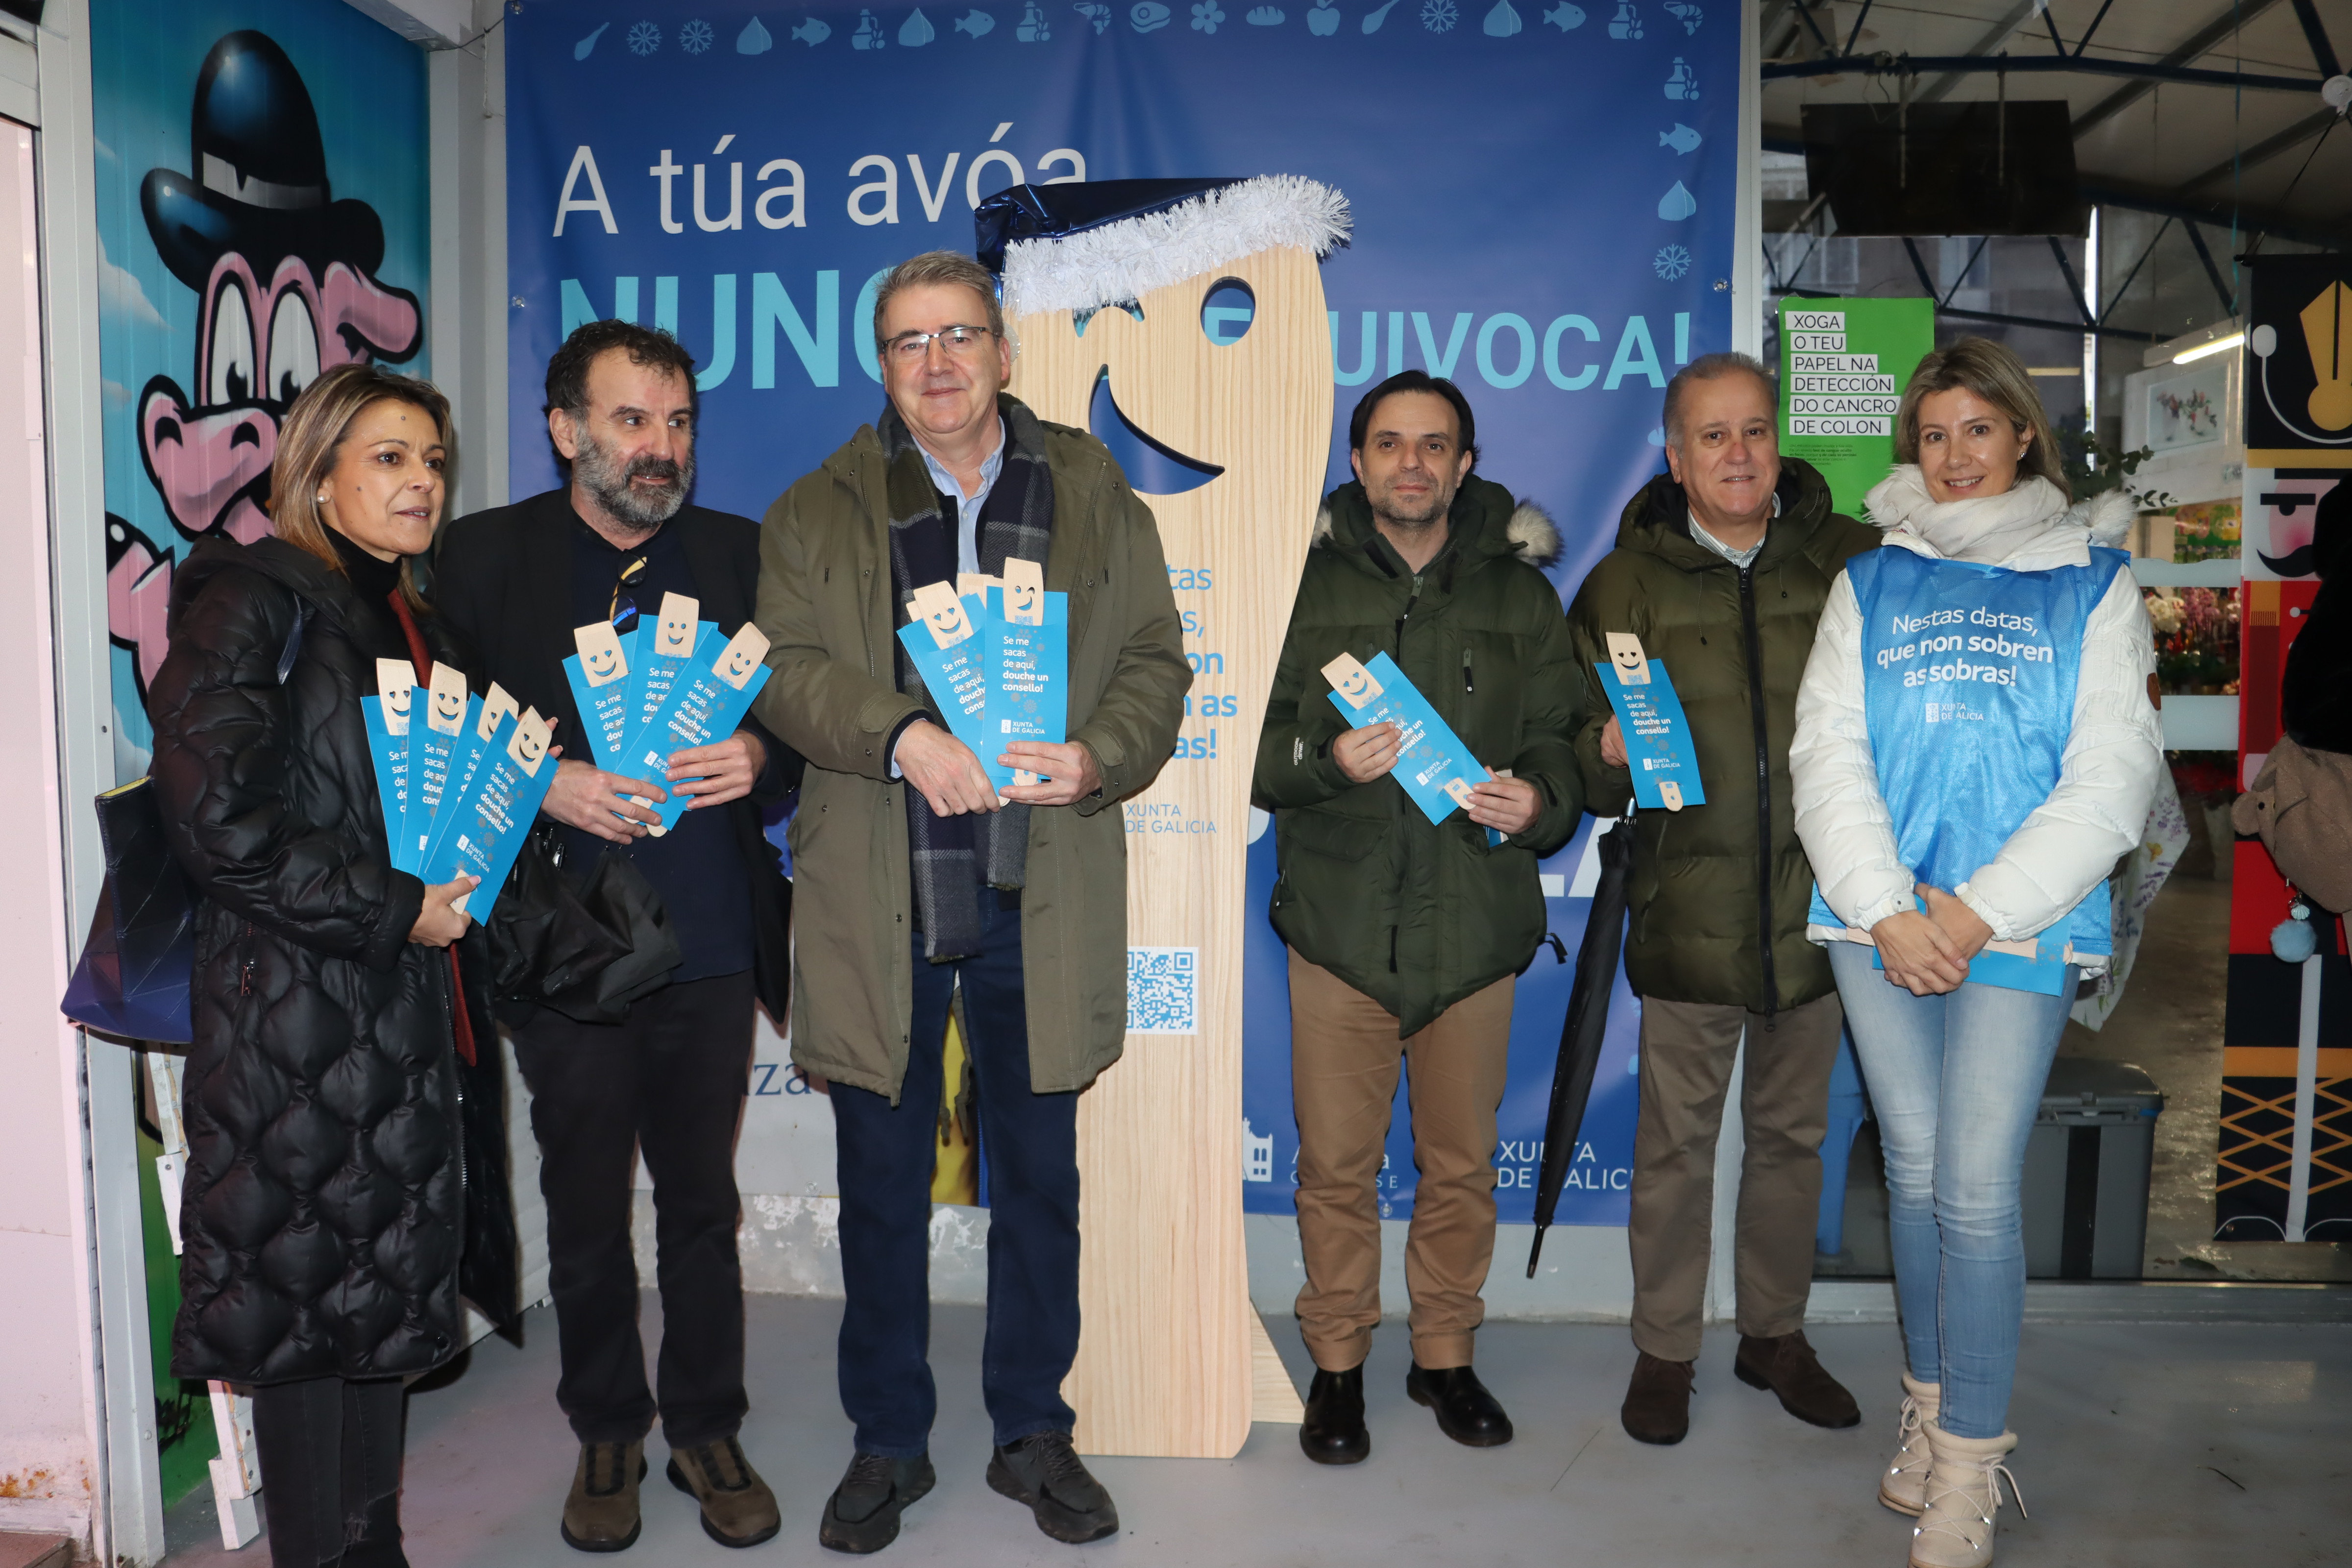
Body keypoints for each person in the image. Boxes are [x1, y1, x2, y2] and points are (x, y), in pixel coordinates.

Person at [750, 250, 1189, 1553]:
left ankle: (1031, 1430)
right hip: (878, 885)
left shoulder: (1094, 491)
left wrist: (1101, 754)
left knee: (1039, 1181)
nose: (936, 362)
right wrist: (899, 734)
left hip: (1036, 885)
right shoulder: (816, 507)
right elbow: (783, 667)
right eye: (908, 342)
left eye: (958, 336)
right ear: (882, 367)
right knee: (883, 1185)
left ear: (1005, 352)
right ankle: (889, 1438)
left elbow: (1156, 660)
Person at [434, 321, 803, 1553]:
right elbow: (430, 730)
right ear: (565, 430)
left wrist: (760, 754)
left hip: (710, 939)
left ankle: (706, 1423)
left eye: (679, 422)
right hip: (562, 943)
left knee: (701, 1203)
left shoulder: (743, 555)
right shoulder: (481, 559)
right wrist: (545, 782)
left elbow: (805, 722)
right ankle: (607, 1427)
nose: (662, 446)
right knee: (585, 1207)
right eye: (633, 419)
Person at [1791, 337, 2160, 1568]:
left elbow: (2112, 776)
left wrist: (1973, 912)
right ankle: (1930, 1402)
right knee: (1913, 1172)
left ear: (2022, 438)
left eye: (1979, 430)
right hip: (1878, 924)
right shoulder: (1870, 582)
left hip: (2020, 923)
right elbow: (1828, 754)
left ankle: (1969, 1464)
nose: (1955, 456)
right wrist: (1889, 908)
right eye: (1934, 434)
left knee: (1978, 1189)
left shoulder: (2093, 584)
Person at [148, 364, 514, 1568]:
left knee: (379, 1297)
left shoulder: (417, 621)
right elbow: (219, 822)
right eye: (390, 458)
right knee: (307, 1309)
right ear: (316, 476)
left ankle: (375, 1548)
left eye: (433, 461)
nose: (422, 483)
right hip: (292, 1014)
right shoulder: (250, 605)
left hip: (404, 1012)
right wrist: (397, 908)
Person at [1252, 370, 1584, 1463]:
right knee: (1334, 1169)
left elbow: (1564, 744)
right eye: (1390, 444)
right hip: (1339, 928)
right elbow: (1250, 750)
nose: (1412, 463)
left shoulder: (1522, 598)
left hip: (1474, 927)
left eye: (1434, 445)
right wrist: (1324, 758)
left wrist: (1544, 801)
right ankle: (1337, 1364)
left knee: (1462, 1165)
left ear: (1466, 463)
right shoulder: (1294, 585)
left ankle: (1444, 1355)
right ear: (1357, 463)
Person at [1566, 351, 1878, 1446]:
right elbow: (1574, 748)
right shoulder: (1621, 585)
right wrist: (1602, 752)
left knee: (1793, 1140)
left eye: (1754, 430)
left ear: (1778, 441)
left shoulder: (1854, 563)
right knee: (1674, 1150)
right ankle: (1665, 1348)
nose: (1738, 454)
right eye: (1713, 435)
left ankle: (1773, 1336)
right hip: (1686, 917)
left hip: (1823, 914)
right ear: (1675, 455)